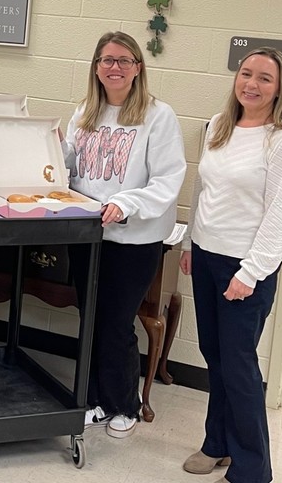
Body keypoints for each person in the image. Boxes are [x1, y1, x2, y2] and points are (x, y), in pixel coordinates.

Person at [180, 48, 282, 483]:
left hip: (245, 266)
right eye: (246, 73)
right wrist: (190, 241)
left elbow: (281, 215)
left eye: (264, 78)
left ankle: (252, 469)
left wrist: (250, 272)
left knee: (238, 366)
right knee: (214, 356)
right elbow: (202, 188)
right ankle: (216, 444)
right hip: (206, 254)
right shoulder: (219, 125)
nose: (251, 84)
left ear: (280, 88)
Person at [64, 31, 186, 439]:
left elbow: (168, 179)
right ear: (96, 68)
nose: (114, 67)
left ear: (138, 68)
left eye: (124, 60)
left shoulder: (158, 116)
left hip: (133, 240)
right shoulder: (85, 112)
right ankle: (94, 400)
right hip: (88, 234)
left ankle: (124, 405)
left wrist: (125, 203)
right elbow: (68, 166)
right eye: (107, 60)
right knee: (91, 320)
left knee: (117, 323)